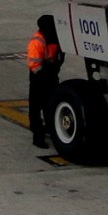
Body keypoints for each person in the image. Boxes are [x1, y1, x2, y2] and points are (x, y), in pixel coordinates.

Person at [26, 14, 65, 151]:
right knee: (36, 108)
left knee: (50, 107)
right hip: (39, 78)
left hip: (51, 75)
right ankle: (38, 137)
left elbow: (60, 56)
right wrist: (46, 76)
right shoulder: (37, 41)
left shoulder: (54, 38)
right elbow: (34, 65)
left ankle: (50, 129)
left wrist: (54, 70)